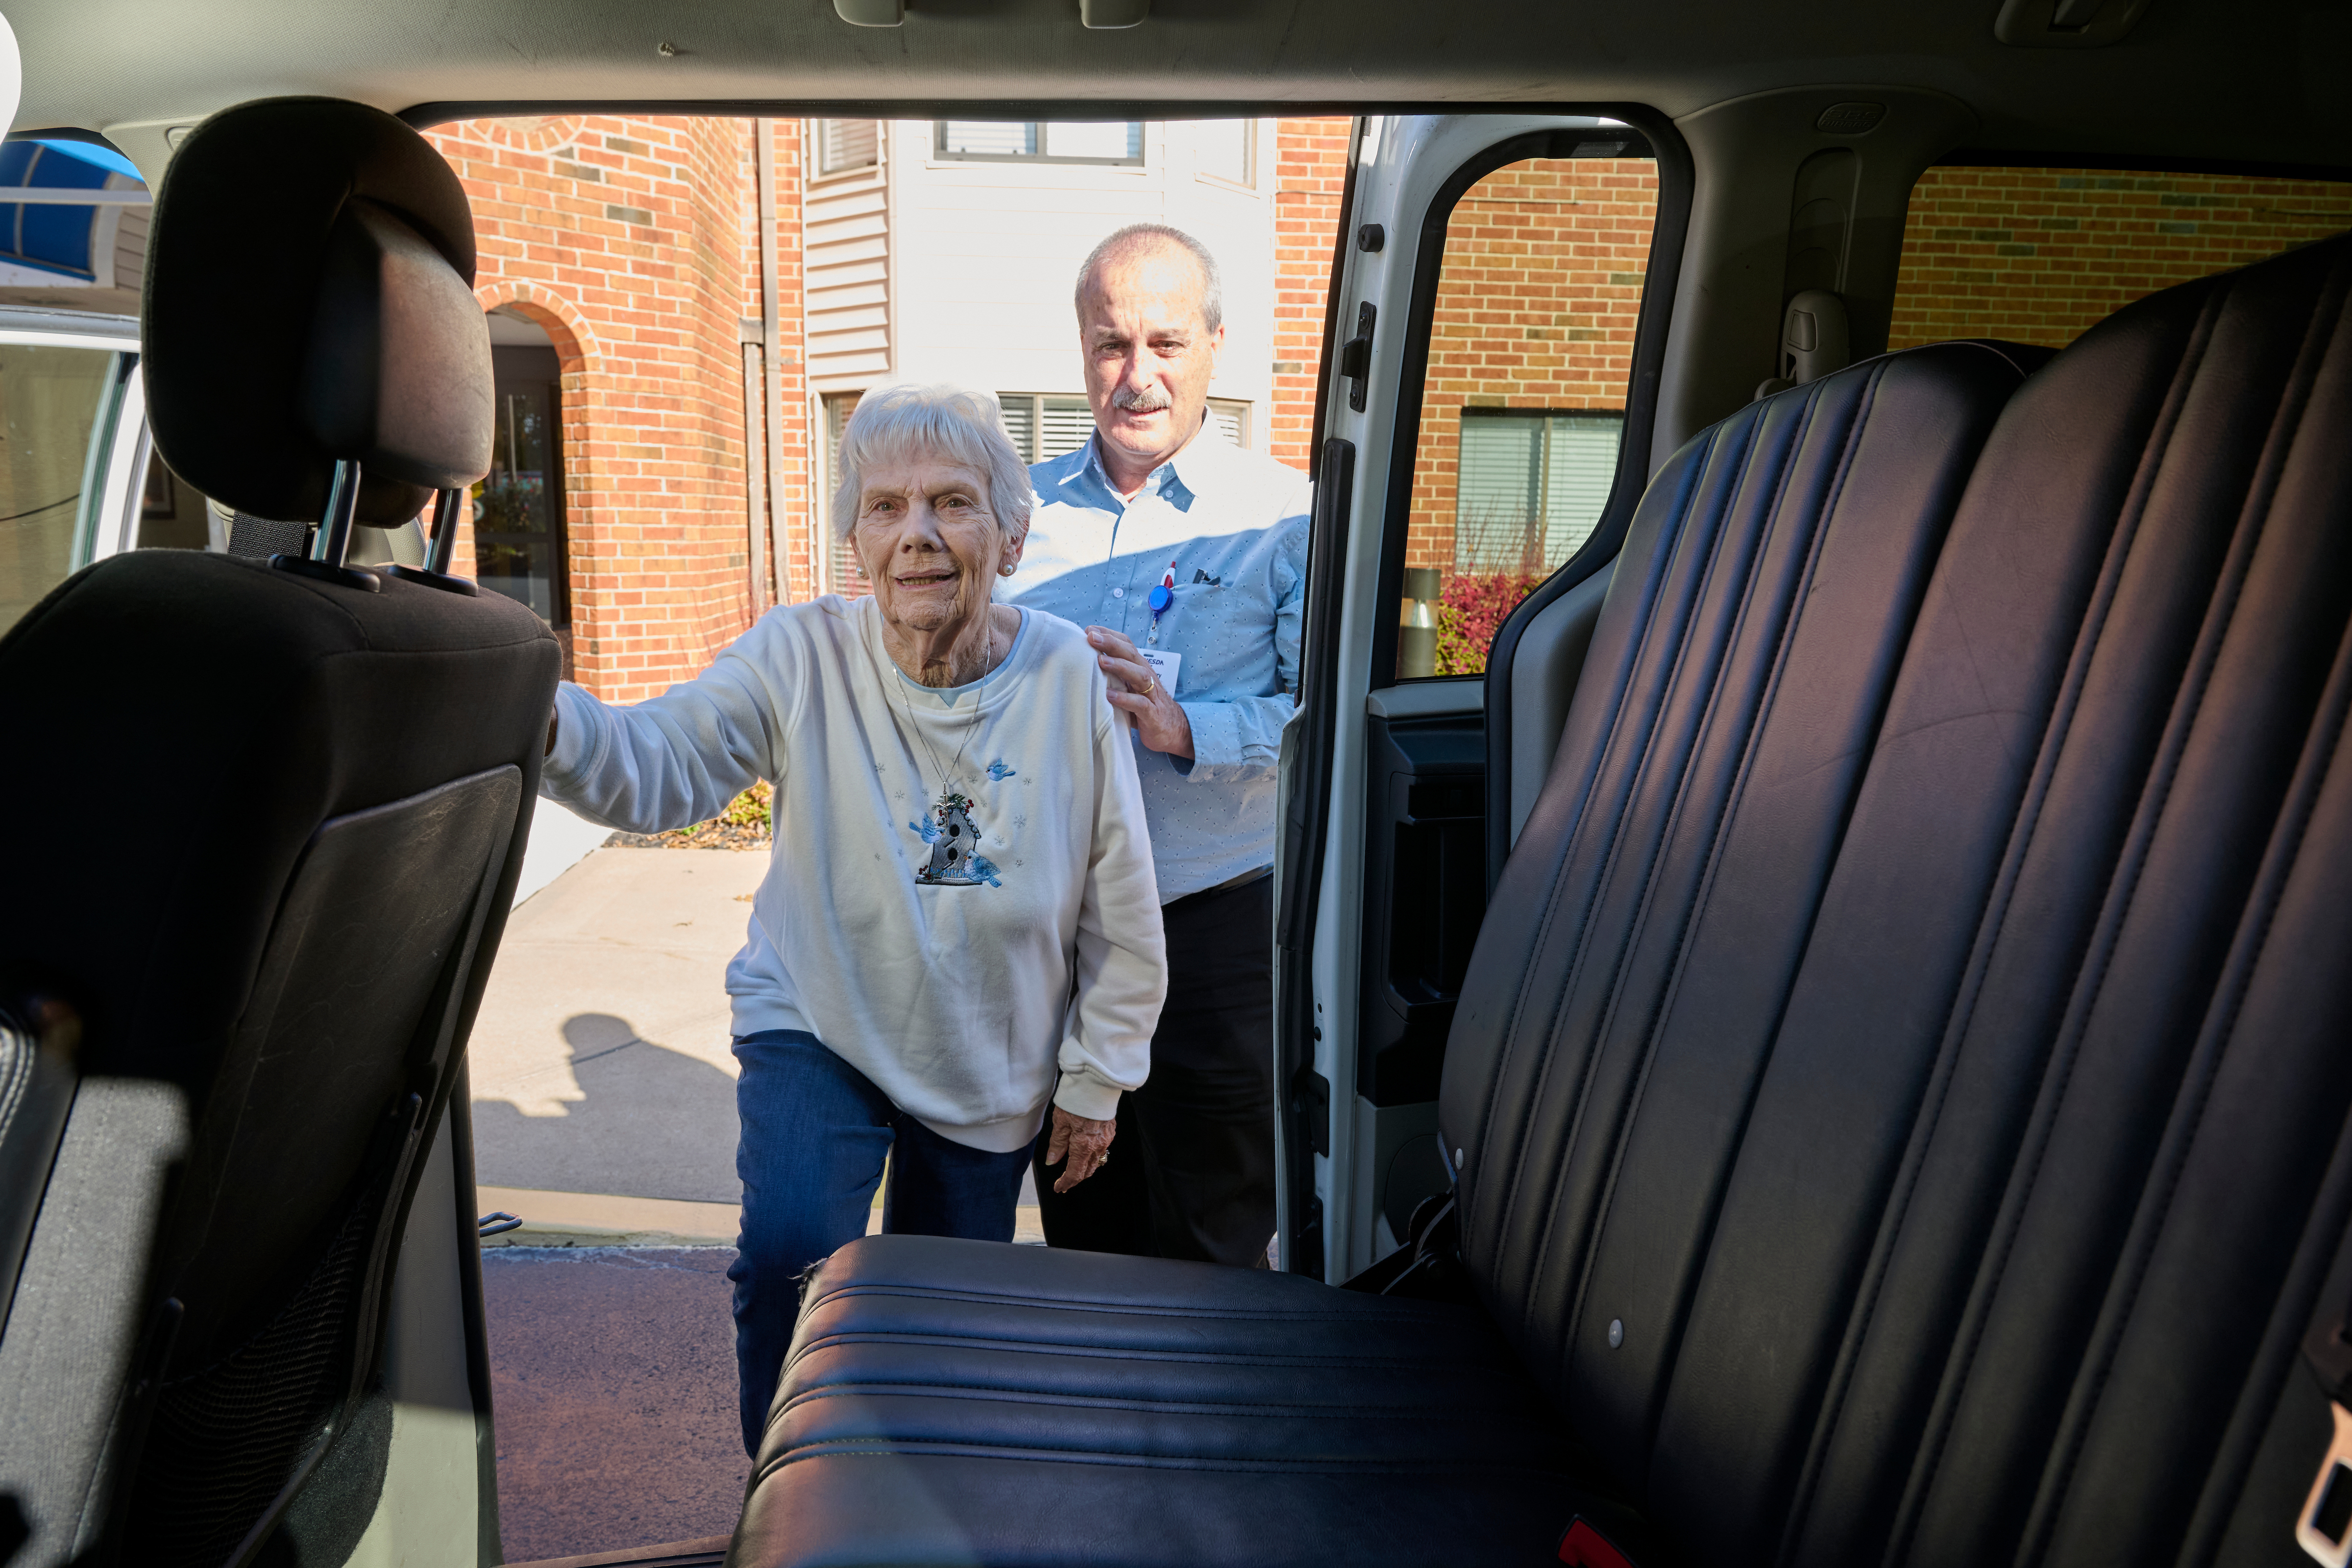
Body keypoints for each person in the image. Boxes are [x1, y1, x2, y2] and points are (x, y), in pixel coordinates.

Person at [538, 383, 1167, 1455]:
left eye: (952, 502)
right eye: (885, 507)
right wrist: (538, 712)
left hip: (988, 1047)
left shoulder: (1065, 674)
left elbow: (1121, 896)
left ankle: (909, 1495)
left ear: (1011, 538)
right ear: (857, 542)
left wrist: (1097, 1075)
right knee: (790, 1256)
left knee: (943, 1316)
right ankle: (789, 1493)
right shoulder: (801, 655)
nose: (916, 533)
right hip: (817, 1014)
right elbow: (663, 761)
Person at [1002, 222, 1309, 1269]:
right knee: (1082, 1216)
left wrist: (1188, 726)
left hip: (1214, 929)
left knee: (1216, 1225)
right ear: (1083, 351)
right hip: (1058, 928)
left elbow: (1319, 716)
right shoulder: (1015, 512)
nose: (1138, 376)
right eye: (1111, 345)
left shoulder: (1286, 515)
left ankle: (1210, 1383)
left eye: (1166, 343)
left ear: (1216, 345)